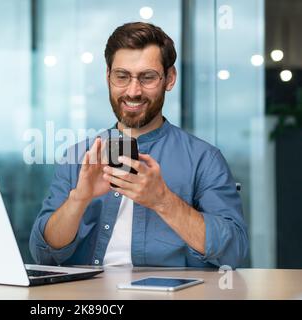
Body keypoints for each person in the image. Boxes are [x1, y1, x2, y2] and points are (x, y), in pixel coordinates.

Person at [29, 22, 249, 268]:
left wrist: (162, 200)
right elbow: (44, 255)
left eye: (147, 77)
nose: (133, 91)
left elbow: (233, 252)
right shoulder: (78, 156)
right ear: (108, 77)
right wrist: (78, 199)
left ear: (170, 78)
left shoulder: (204, 159)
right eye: (122, 76)